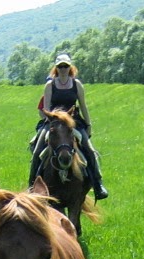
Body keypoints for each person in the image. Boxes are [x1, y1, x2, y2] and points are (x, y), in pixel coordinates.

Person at [29, 53, 109, 200]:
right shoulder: (50, 85)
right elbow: (46, 108)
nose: (63, 69)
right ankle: (32, 187)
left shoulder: (77, 85)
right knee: (37, 152)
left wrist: (88, 124)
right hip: (53, 122)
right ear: (56, 68)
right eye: (60, 66)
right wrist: (55, 120)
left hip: (74, 122)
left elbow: (83, 106)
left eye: (66, 66)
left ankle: (98, 184)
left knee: (90, 150)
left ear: (70, 67)